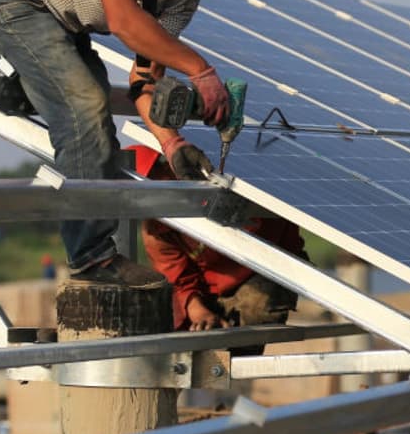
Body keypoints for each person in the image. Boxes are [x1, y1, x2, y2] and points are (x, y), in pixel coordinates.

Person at [0, 0, 265, 286]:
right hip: (16, 3)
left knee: (92, 115)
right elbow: (122, 18)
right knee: (85, 107)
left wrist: (171, 143)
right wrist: (201, 71)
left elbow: (144, 78)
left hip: (66, 28)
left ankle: (33, 82)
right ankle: (92, 260)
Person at [126, 145, 304, 347]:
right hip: (208, 292)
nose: (152, 190)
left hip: (263, 271)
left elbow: (285, 236)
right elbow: (180, 280)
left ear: (170, 167)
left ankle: (235, 358)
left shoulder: (225, 185)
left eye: (154, 178)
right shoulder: (157, 230)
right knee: (180, 337)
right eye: (144, 186)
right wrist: (200, 312)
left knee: (256, 310)